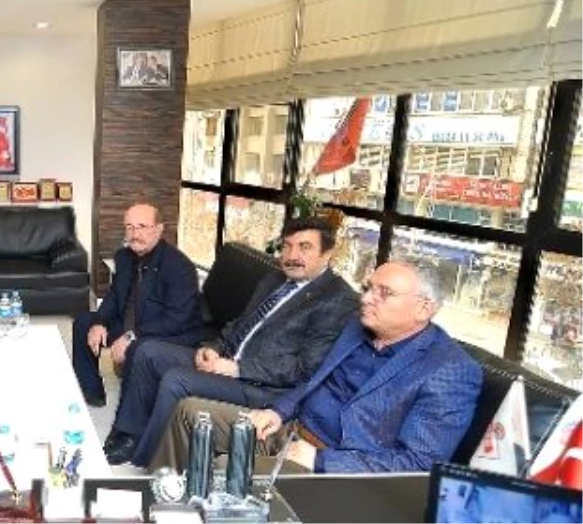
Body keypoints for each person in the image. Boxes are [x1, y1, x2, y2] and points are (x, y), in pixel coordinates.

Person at [152, 260, 483, 474]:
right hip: (290, 429)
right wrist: (278, 411)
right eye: (368, 288)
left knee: (227, 468)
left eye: (384, 293)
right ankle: (165, 502)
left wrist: (320, 460)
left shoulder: (450, 371)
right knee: (190, 412)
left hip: (335, 465)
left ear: (424, 308)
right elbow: (315, 381)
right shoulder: (357, 327)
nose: (366, 298)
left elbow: (419, 463)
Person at [113, 216, 359, 466]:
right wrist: (213, 348)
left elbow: (306, 369)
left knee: (177, 380)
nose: (292, 255)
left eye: (304, 247)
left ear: (327, 253)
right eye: (287, 246)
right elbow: (240, 323)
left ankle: (153, 462)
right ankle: (129, 436)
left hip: (265, 388)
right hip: (227, 359)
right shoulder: (274, 279)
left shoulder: (338, 299)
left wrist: (237, 369)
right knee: (147, 351)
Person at [73, 203, 206, 416]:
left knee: (138, 350)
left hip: (160, 333)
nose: (135, 234)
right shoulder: (124, 257)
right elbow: (114, 297)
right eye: (130, 227)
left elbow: (177, 319)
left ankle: (131, 414)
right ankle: (91, 390)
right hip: (129, 324)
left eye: (142, 226)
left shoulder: (179, 267)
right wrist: (99, 322)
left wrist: (131, 336)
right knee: (83, 322)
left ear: (159, 229)